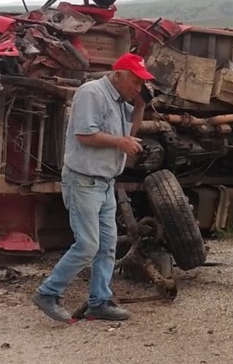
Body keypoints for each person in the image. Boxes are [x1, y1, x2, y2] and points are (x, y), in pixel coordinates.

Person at [32, 52, 153, 323]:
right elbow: (84, 135)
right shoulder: (92, 93)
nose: (138, 87)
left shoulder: (122, 100)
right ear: (118, 75)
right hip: (84, 181)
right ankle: (48, 293)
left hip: (105, 182)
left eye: (142, 83)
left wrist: (141, 107)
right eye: (136, 82)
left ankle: (100, 301)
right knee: (87, 244)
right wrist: (120, 143)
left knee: (107, 245)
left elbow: (128, 135)